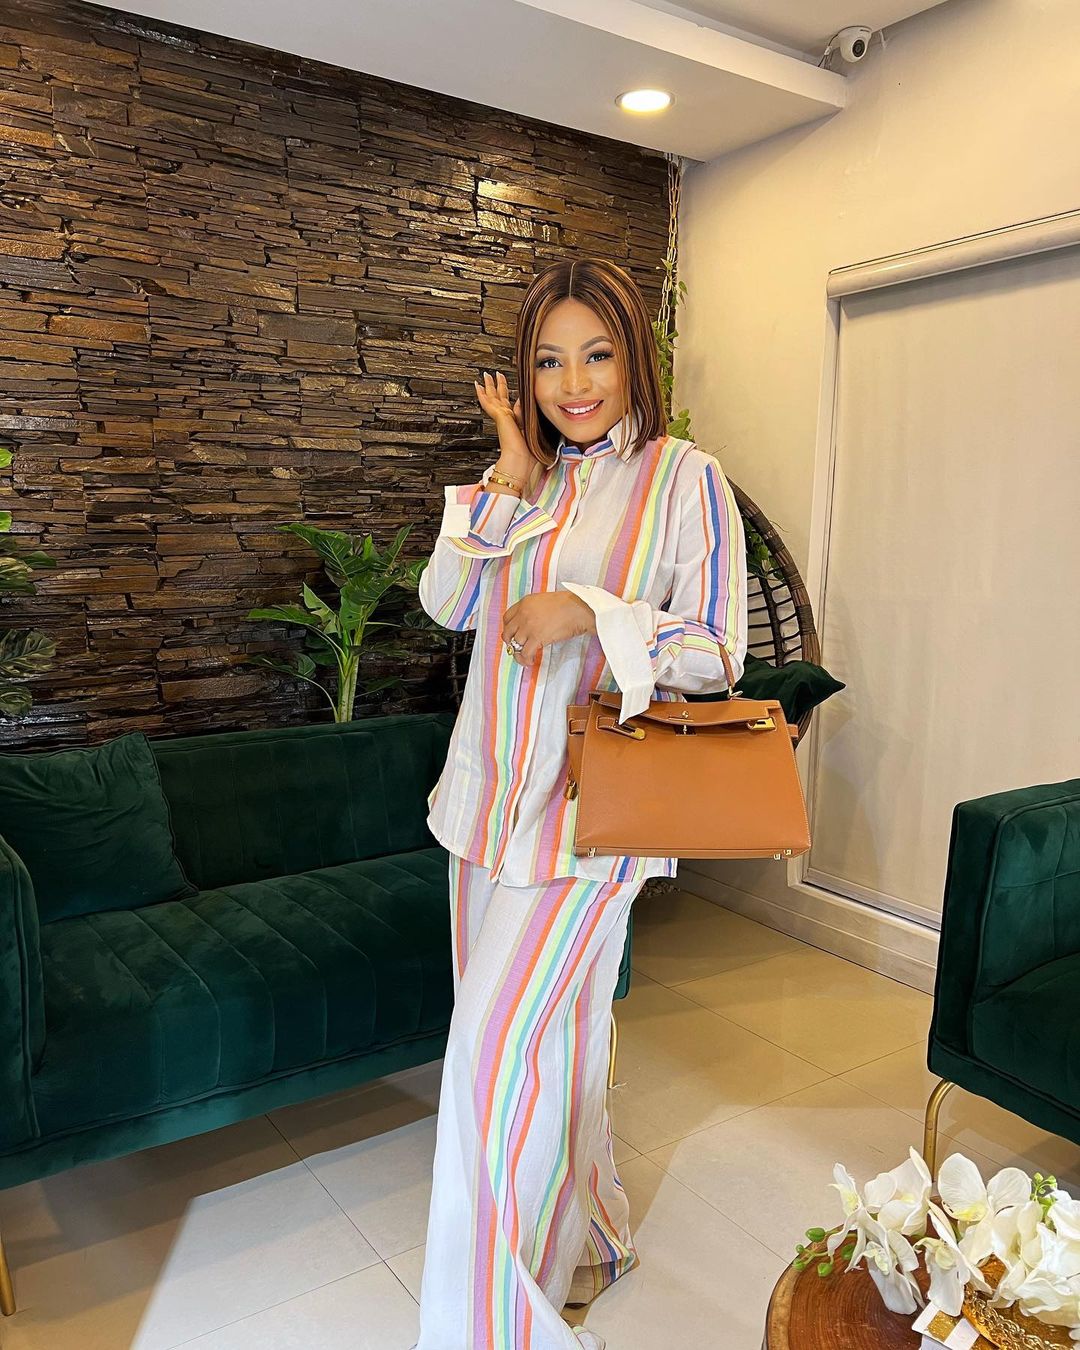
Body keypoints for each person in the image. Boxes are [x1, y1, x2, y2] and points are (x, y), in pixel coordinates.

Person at [413, 256, 749, 1350]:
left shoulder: (685, 478)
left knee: (486, 1059)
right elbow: (446, 603)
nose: (574, 384)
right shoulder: (526, 481)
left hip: (590, 820)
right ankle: (589, 1239)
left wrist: (592, 610)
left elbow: (718, 653)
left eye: (596, 355)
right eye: (550, 361)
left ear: (633, 355)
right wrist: (509, 476)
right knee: (557, 1039)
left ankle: (488, 1331)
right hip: (483, 807)